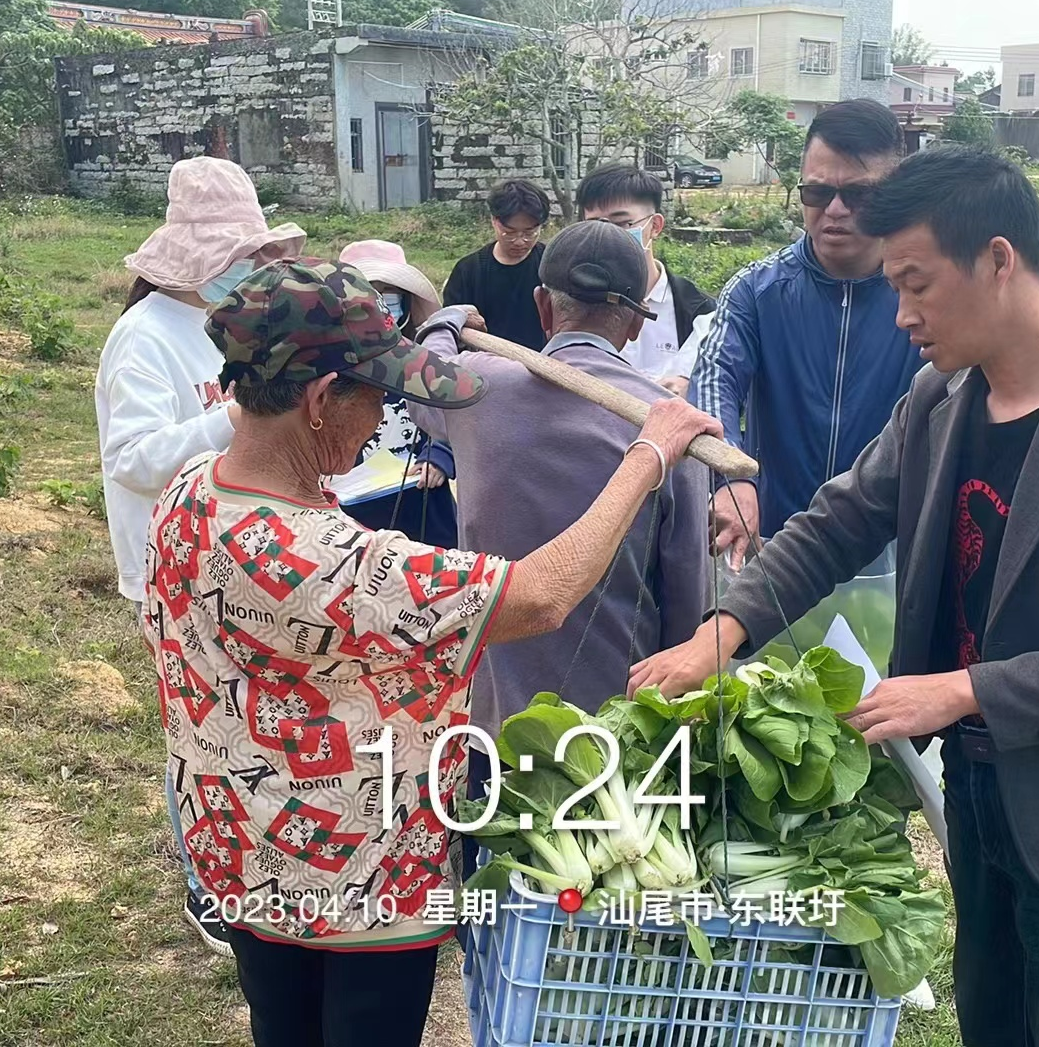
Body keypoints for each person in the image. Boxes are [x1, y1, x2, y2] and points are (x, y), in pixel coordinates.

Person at [631, 147, 1039, 1047]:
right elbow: (837, 522)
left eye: (916, 285)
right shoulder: (942, 397)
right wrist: (721, 632)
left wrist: (959, 690)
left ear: (998, 260)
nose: (903, 315)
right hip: (981, 793)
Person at [144, 256, 718, 1047]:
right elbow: (541, 596)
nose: (386, 416)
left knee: (282, 1024)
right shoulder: (327, 563)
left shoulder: (191, 492)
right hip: (359, 881)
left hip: (239, 848)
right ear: (319, 401)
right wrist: (647, 455)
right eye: (379, 397)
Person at [409, 221, 710, 874]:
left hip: (496, 723)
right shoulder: (670, 431)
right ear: (633, 322)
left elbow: (419, 378)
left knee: (500, 892)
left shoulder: (474, 391)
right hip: (621, 729)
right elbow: (688, 598)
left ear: (543, 306)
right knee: (611, 908)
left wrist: (449, 321)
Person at [95, 155, 306, 958]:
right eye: (235, 256)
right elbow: (134, 459)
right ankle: (203, 883)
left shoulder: (228, 322)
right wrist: (233, 418)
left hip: (232, 558)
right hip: (171, 566)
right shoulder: (144, 338)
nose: (246, 268)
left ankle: (247, 858)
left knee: (240, 721)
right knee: (197, 727)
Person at [691, 99, 924, 567]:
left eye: (857, 194)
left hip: (890, 553)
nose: (834, 210)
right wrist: (732, 474)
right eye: (817, 193)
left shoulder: (923, 295)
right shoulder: (757, 292)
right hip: (775, 549)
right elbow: (714, 381)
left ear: (895, 193)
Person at [325, 239, 459, 547]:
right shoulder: (327, 366)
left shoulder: (423, 360)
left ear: (406, 302)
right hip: (354, 507)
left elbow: (451, 417)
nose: (378, 302)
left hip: (422, 499)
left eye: (389, 293)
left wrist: (439, 456)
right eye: (368, 291)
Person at [575, 164, 717, 393]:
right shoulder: (574, 303)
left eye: (621, 224)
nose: (607, 236)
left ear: (655, 226)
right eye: (594, 225)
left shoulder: (700, 313)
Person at [442, 178, 550, 351]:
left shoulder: (551, 265)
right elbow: (451, 327)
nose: (520, 242)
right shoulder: (468, 270)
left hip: (541, 360)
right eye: (509, 233)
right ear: (494, 220)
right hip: (484, 361)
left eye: (529, 233)